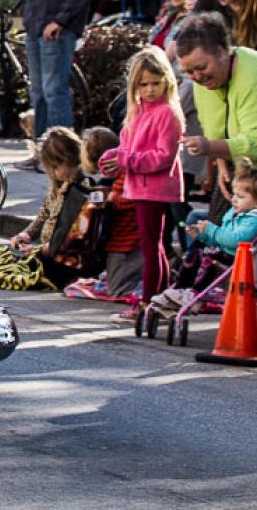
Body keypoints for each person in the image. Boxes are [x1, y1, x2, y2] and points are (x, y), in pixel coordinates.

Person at [98, 47, 184, 323]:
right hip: (140, 184)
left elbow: (163, 156)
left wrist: (126, 159)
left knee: (152, 244)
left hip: (155, 186)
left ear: (166, 81)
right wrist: (111, 158)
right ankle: (158, 301)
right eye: (143, 84)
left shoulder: (167, 113)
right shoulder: (138, 112)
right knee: (153, 244)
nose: (149, 90)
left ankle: (150, 302)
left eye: (155, 83)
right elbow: (127, 147)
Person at [17, 0, 92, 171]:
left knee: (54, 90)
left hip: (57, 28)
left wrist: (60, 20)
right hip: (37, 23)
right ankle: (41, 153)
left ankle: (63, 155)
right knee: (38, 92)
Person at [156, 160, 257, 310]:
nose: (233, 199)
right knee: (197, 249)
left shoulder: (255, 219)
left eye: (240, 196)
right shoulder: (238, 212)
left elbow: (236, 240)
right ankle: (179, 288)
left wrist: (212, 230)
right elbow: (223, 238)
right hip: (226, 253)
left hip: (238, 260)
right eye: (234, 194)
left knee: (206, 257)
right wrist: (202, 235)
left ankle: (195, 293)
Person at [177, 12, 257, 179]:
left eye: (201, 67)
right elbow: (215, 131)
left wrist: (209, 147)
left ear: (222, 52)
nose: (196, 77)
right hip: (243, 169)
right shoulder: (207, 79)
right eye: (188, 72)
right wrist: (222, 163)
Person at [9, 127, 95, 287]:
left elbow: (73, 236)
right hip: (46, 251)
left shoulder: (80, 191)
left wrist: (40, 250)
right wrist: (26, 234)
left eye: (57, 167)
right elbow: (43, 215)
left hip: (62, 259)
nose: (55, 173)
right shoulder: (57, 187)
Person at [81, 126, 141, 299]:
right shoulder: (121, 176)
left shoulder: (127, 175)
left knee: (118, 291)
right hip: (121, 243)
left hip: (127, 244)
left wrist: (109, 200)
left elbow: (127, 200)